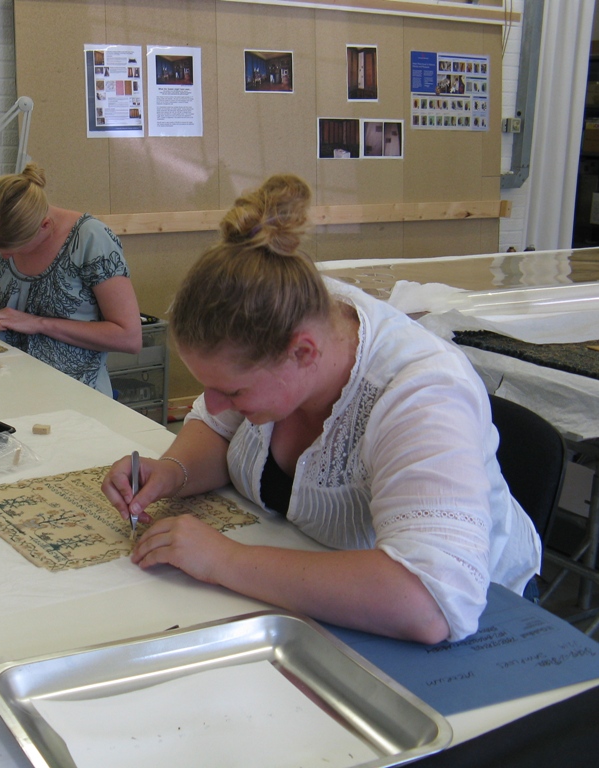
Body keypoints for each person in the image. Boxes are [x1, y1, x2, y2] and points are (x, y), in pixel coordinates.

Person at [101, 173, 541, 645]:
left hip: (485, 631)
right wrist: (173, 472)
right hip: (314, 583)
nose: (212, 404)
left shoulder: (422, 393)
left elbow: (430, 604)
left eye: (232, 392)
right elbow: (217, 429)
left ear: (303, 354)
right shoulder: (287, 308)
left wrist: (223, 560)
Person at [0, 163, 142, 396]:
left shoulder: (91, 240)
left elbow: (129, 337)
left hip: (75, 395)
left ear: (45, 226)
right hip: (6, 385)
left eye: (14, 249)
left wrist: (39, 323)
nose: (4, 257)